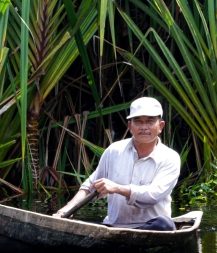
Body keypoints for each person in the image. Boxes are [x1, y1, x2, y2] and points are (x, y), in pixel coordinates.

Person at [52, 97, 181, 230]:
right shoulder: (114, 151)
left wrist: (116, 188)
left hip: (150, 227)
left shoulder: (170, 157)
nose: (143, 127)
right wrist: (67, 209)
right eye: (138, 121)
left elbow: (153, 195)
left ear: (161, 126)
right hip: (113, 226)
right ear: (130, 126)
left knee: (165, 225)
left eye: (150, 121)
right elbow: (90, 186)